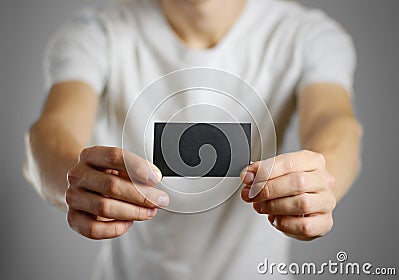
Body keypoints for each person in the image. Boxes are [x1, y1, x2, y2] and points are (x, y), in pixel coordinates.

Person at [24, 0, 362, 279]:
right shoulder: (97, 32)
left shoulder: (308, 35)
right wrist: (74, 180)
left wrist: (321, 181)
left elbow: (335, 122)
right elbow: (53, 128)